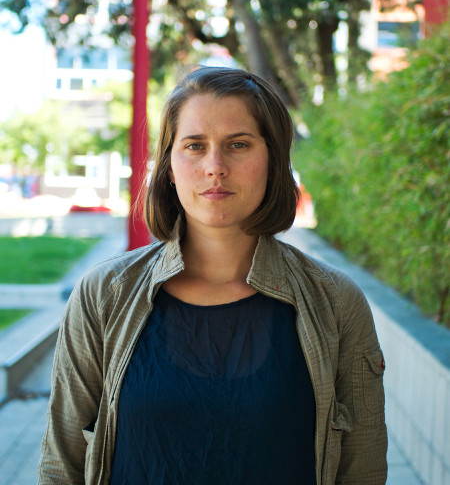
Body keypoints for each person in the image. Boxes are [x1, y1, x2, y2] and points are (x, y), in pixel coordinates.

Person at [38, 66, 387, 484]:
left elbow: (362, 470)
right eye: (194, 146)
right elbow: (62, 464)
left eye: (238, 144)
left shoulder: (335, 301)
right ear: (168, 166)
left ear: (273, 160)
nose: (215, 166)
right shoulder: (105, 295)